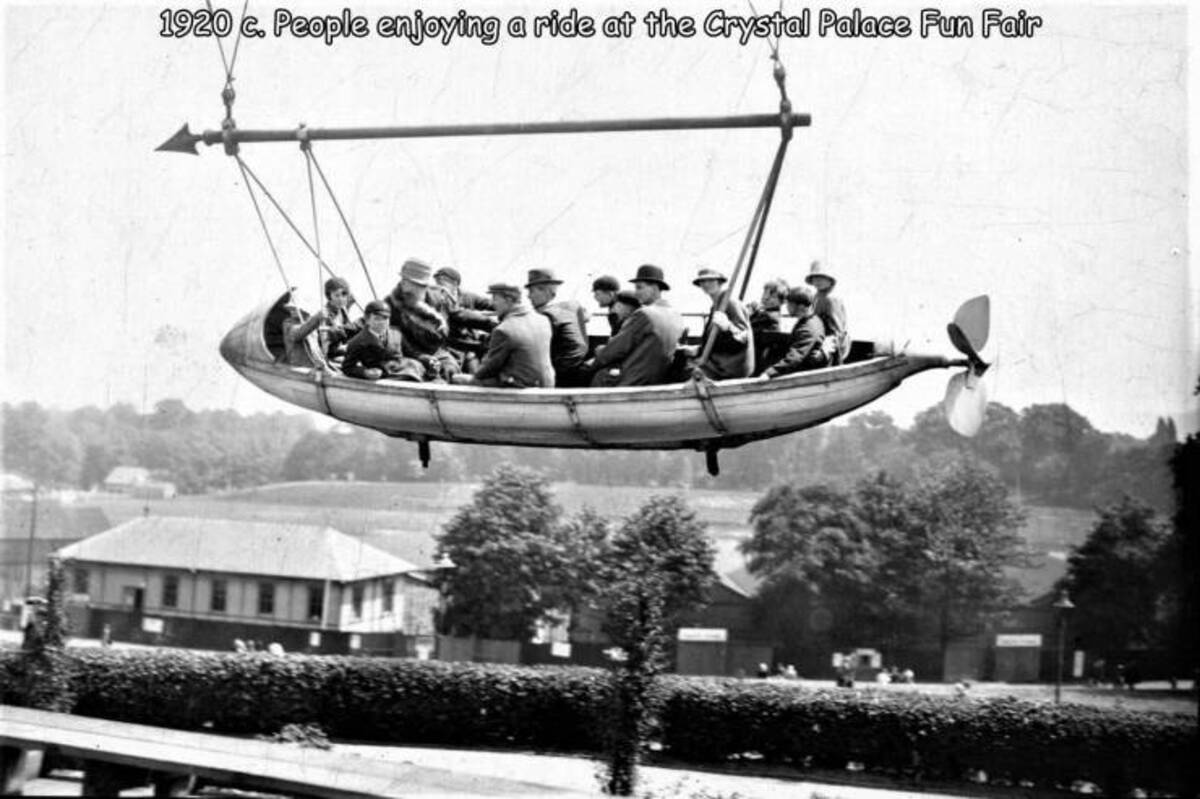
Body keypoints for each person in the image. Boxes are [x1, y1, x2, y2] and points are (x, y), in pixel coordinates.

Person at [587, 264, 685, 387]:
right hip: (659, 378)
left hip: (634, 380)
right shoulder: (675, 314)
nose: (636, 293)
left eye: (639, 288)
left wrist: (596, 359)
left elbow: (615, 350)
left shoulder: (644, 314)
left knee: (595, 376)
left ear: (654, 288)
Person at [452, 282, 554, 388]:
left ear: (508, 300)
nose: (493, 303)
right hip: (546, 384)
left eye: (495, 299)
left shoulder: (504, 330)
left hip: (518, 387)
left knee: (457, 379)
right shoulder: (543, 320)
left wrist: (472, 358)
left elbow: (485, 372)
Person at [385, 258, 459, 381]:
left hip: (436, 351)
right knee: (414, 371)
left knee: (451, 368)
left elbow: (457, 318)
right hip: (408, 354)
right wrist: (421, 357)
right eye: (402, 278)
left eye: (406, 280)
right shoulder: (392, 304)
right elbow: (397, 341)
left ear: (420, 285)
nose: (402, 283)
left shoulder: (438, 299)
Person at [685, 267, 754, 380]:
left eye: (711, 280)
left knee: (685, 372)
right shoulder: (716, 305)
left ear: (720, 282)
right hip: (720, 361)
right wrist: (698, 350)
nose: (706, 284)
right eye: (703, 281)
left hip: (730, 368)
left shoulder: (730, 302)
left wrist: (728, 327)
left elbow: (742, 338)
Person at [526, 268, 591, 387]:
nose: (528, 296)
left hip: (562, 377)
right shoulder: (573, 305)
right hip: (579, 368)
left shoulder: (546, 315)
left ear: (546, 291)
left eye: (531, 291)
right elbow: (587, 316)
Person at [342, 300, 424, 380]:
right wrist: (365, 372)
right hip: (382, 379)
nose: (382, 322)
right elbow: (347, 367)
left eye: (385, 318)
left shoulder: (396, 333)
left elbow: (412, 353)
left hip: (407, 373)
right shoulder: (357, 342)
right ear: (367, 320)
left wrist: (426, 358)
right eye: (377, 319)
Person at [761, 286, 826, 378]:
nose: (786, 307)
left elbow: (795, 357)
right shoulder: (812, 320)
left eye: (789, 304)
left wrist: (769, 373)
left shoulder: (808, 329)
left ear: (801, 307)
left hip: (803, 376)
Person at [805, 261, 849, 365]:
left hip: (832, 343)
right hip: (820, 337)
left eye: (821, 277)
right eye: (815, 278)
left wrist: (825, 349)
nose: (817, 281)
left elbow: (837, 330)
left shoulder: (832, 298)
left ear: (830, 280)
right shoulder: (817, 295)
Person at [317, 276, 361, 361]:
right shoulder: (326, 313)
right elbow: (324, 340)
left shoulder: (341, 309)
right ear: (329, 297)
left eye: (344, 295)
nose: (341, 299)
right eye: (336, 295)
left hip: (341, 346)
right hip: (330, 352)